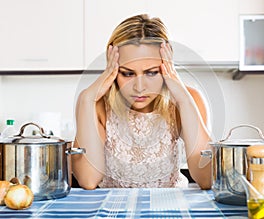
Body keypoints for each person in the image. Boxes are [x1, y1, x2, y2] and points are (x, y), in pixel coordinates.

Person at [72, 14, 212, 190]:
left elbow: (207, 178)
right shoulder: (95, 103)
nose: (139, 87)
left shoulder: (188, 100)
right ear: (113, 69)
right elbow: (88, 179)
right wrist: (86, 99)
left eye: (151, 72)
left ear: (166, 66)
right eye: (128, 73)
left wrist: (183, 100)